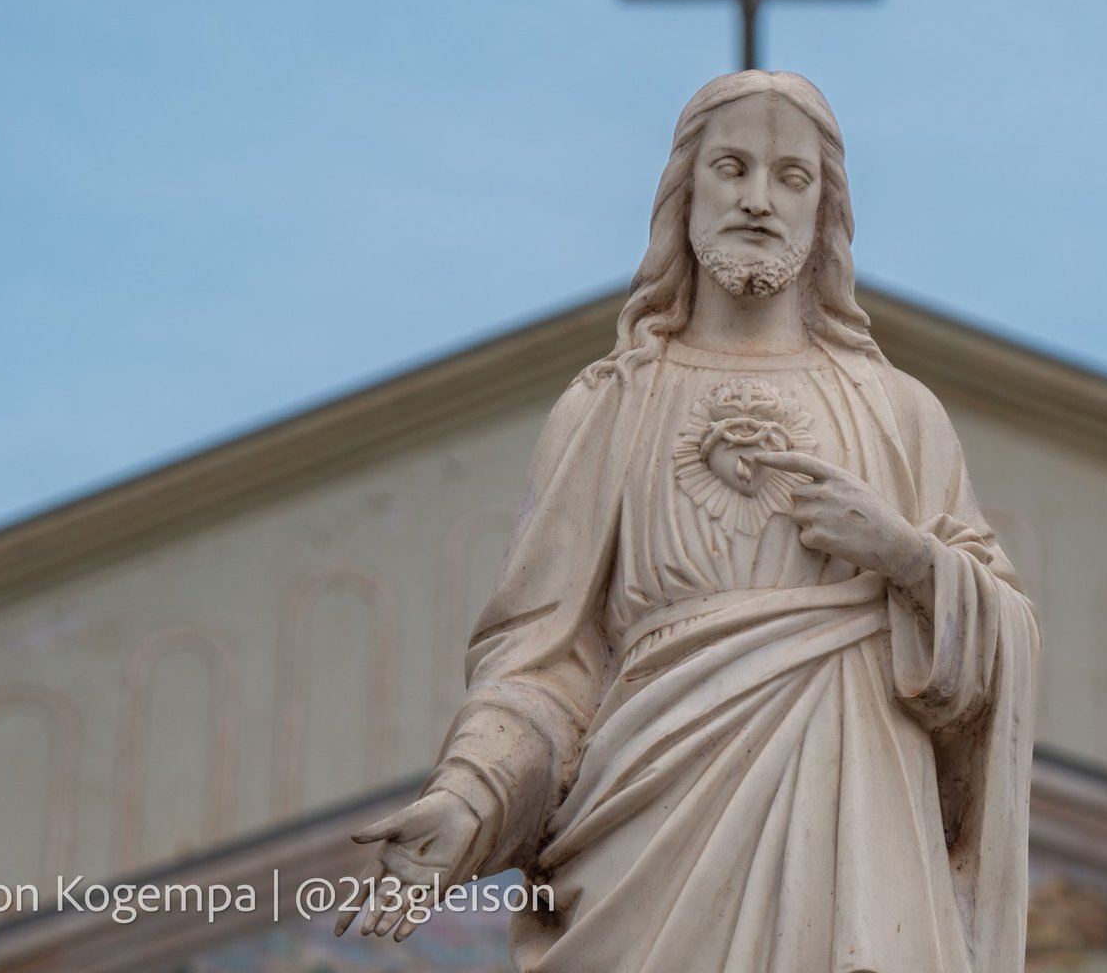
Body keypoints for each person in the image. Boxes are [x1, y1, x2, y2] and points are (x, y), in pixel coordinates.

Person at [338, 70, 1038, 971]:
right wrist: (469, 797)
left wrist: (906, 557)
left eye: (791, 177)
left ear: (825, 211)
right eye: (731, 167)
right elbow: (543, 665)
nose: (757, 200)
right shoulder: (611, 408)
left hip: (861, 855)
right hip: (647, 847)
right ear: (684, 192)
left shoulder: (899, 413)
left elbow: (1000, 652)